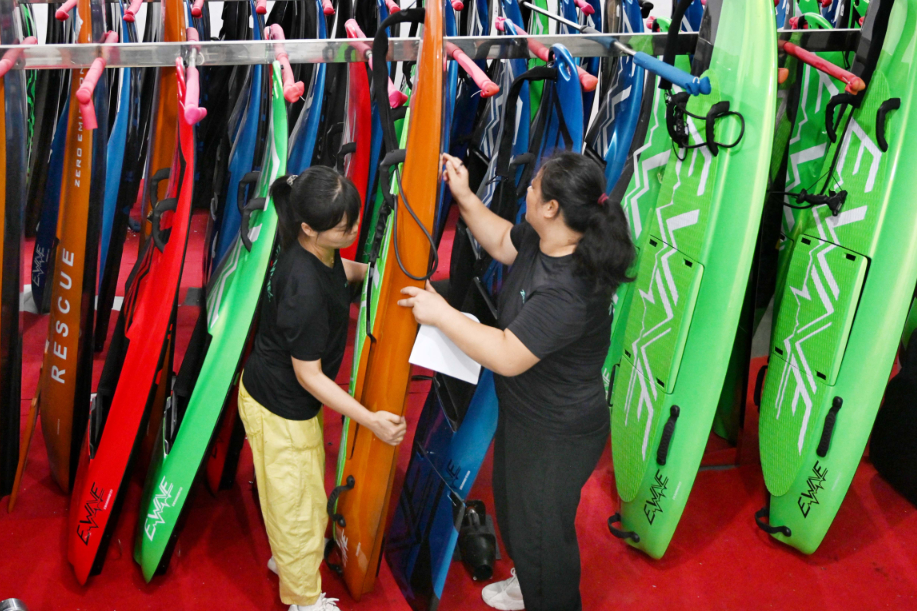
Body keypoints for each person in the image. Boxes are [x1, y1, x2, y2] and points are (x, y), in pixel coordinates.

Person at [399, 151, 634, 611]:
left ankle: (550, 598)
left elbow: (507, 354)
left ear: (552, 208)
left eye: (534, 186)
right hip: (525, 415)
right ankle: (530, 585)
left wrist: (443, 315)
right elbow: (504, 241)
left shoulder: (570, 289)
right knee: (513, 515)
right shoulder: (545, 238)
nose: (527, 189)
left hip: (557, 432)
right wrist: (465, 196)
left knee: (543, 537)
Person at [239, 165, 409, 611]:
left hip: (284, 401)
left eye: (354, 220)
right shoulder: (304, 291)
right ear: (310, 228)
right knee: (299, 506)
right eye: (343, 228)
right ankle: (304, 599)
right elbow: (309, 376)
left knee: (294, 495)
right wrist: (370, 419)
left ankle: (291, 558)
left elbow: (342, 269)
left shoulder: (312, 247)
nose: (353, 230)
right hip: (280, 407)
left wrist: (377, 275)